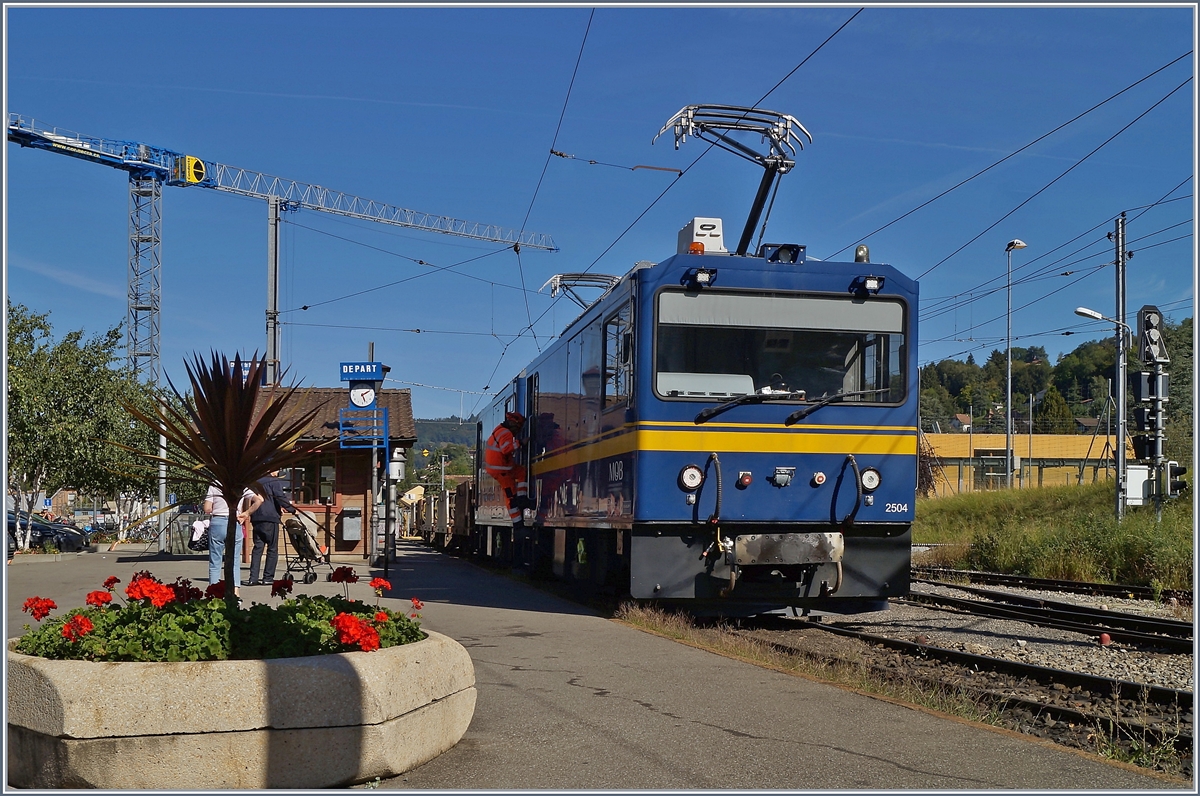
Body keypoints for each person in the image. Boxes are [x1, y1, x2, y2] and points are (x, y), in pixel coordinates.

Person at [203, 483, 263, 598]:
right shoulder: (241, 484)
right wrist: (246, 514)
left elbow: (207, 508)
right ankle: (235, 593)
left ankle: (214, 594)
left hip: (217, 522)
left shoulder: (215, 484)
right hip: (235, 521)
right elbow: (259, 500)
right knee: (235, 561)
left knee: (215, 562)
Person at [246, 469, 297, 586]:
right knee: (272, 548)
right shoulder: (273, 481)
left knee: (258, 548)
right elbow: (280, 497)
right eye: (277, 469)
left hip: (256, 517)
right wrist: (292, 509)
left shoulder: (255, 482)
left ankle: (253, 578)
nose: (278, 472)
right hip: (270, 518)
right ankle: (268, 577)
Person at [484, 411, 532, 531]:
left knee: (521, 471)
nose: (518, 430)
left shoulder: (499, 431)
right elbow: (506, 449)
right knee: (511, 498)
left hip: (503, 468)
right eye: (518, 426)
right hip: (502, 471)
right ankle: (518, 525)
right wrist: (521, 442)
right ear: (513, 423)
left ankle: (521, 498)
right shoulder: (506, 433)